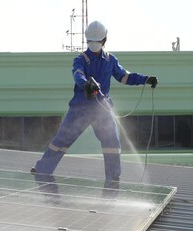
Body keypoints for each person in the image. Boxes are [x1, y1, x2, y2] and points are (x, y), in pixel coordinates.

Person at [31, 21, 158, 184]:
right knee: (62, 139)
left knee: (112, 142)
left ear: (104, 40)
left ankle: (113, 177)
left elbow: (124, 76)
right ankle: (43, 170)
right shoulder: (80, 59)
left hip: (102, 110)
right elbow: (78, 75)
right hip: (80, 108)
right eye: (93, 41)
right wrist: (86, 84)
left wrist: (145, 79)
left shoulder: (110, 60)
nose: (95, 44)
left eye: (96, 41)